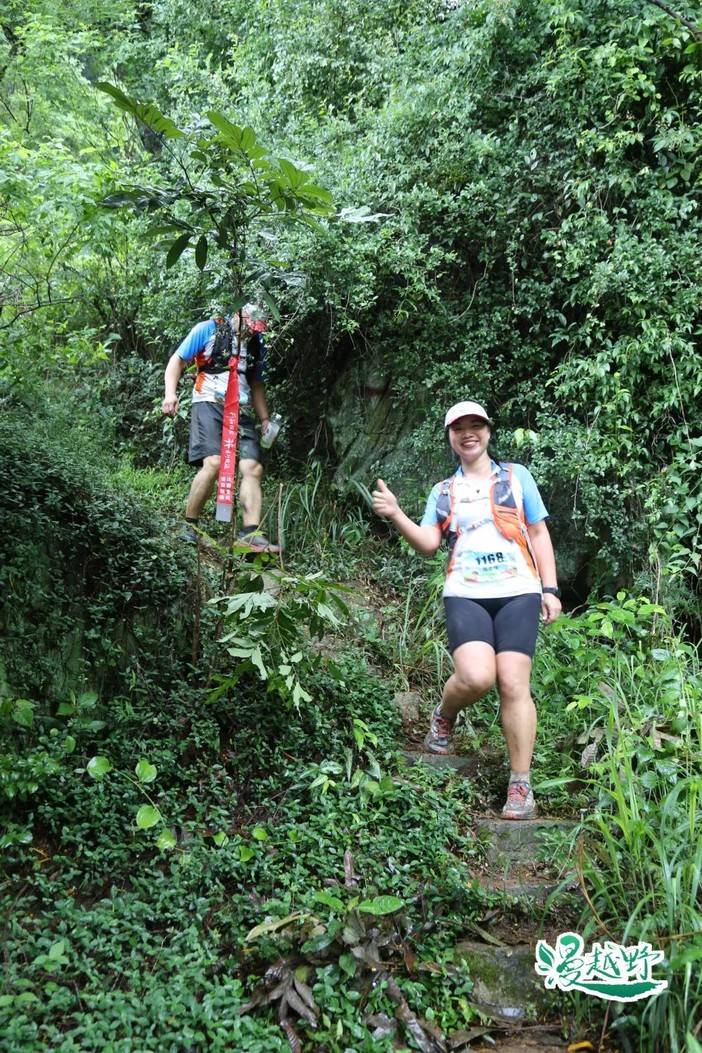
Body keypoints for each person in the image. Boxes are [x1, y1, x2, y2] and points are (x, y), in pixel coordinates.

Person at [371, 400, 561, 820]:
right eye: (459, 428)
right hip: (465, 592)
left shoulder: (516, 476)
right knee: (476, 676)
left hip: (519, 590)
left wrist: (550, 589)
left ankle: (520, 785)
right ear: (450, 437)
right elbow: (428, 543)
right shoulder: (444, 491)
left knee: (513, 683)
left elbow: (538, 532)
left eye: (476, 425)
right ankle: (445, 714)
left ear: (489, 432)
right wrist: (397, 513)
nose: (468, 433)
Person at [162, 303, 280, 551]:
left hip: (240, 408)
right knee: (214, 463)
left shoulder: (257, 344)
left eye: (256, 328)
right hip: (209, 402)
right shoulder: (208, 329)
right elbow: (177, 360)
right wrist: (170, 394)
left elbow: (256, 384)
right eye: (250, 325)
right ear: (239, 315)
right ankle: (190, 526)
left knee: (253, 467)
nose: (252, 331)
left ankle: (250, 534)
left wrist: (265, 419)